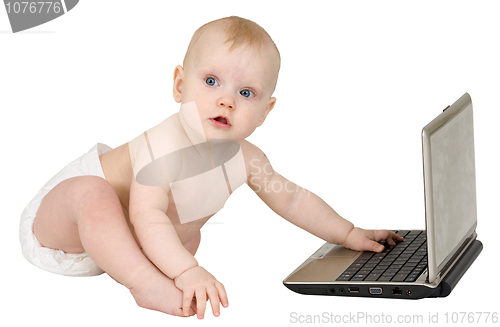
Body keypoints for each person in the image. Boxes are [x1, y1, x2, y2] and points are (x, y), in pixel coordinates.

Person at [20, 16, 403, 319]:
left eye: (246, 92)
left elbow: (294, 200)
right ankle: (144, 284)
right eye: (211, 81)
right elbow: (146, 215)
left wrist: (347, 232)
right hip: (65, 231)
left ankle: (150, 267)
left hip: (127, 246)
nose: (227, 101)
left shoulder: (247, 158)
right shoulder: (163, 145)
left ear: (266, 111)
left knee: (187, 237)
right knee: (92, 193)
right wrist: (188, 272)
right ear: (180, 85)